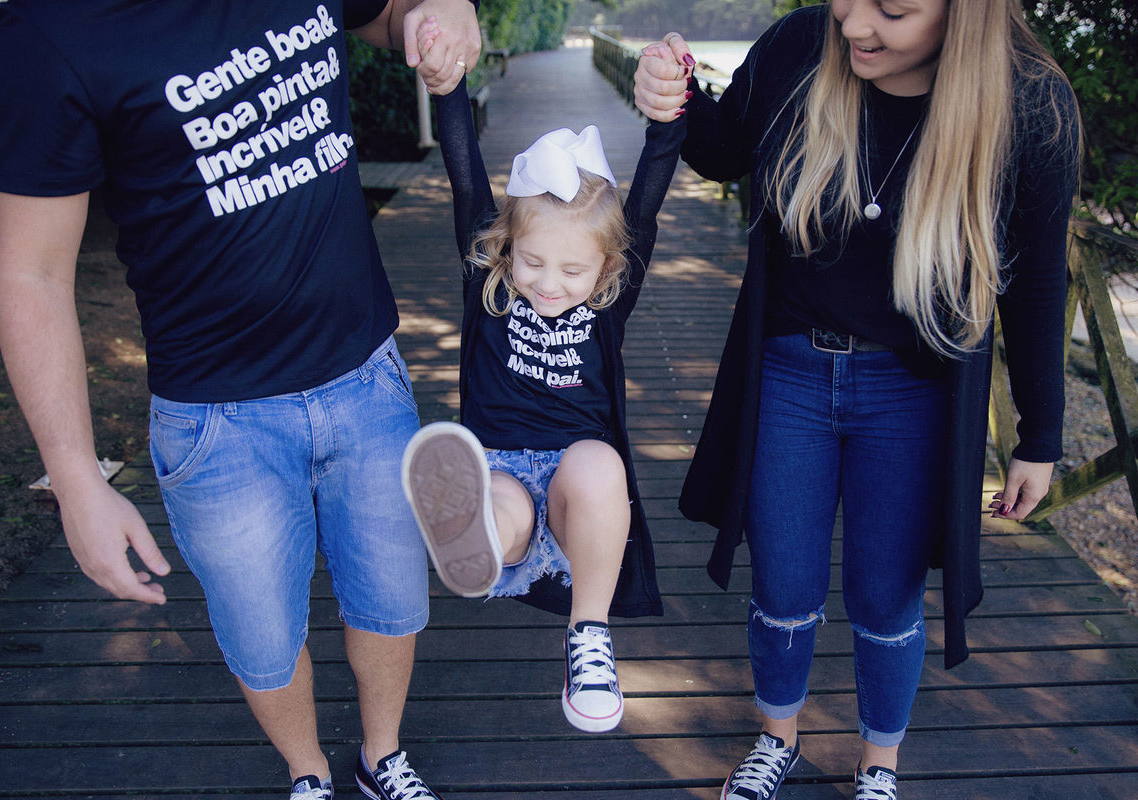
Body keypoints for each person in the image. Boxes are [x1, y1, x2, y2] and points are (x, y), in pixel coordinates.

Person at [0, 2, 482, 799]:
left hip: (366, 378)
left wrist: (446, 11)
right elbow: (31, 273)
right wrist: (75, 476)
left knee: (391, 603)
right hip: (219, 427)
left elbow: (393, 16)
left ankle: (381, 757)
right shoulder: (50, 31)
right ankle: (309, 772)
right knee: (261, 639)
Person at [633, 1, 1079, 798]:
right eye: (848, 0)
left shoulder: (1032, 105)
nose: (856, 27)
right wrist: (677, 94)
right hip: (788, 376)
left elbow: (1040, 279)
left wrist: (1038, 437)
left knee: (886, 596)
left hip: (914, 391)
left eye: (893, 11)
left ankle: (880, 763)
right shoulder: (802, 46)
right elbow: (723, 151)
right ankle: (779, 738)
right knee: (784, 583)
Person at [398, 28, 678, 733]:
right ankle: (477, 541)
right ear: (505, 248)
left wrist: (670, 113)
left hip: (572, 496)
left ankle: (589, 635)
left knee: (599, 464)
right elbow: (465, 173)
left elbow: (647, 195)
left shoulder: (609, 303)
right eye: (532, 262)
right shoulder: (487, 281)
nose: (548, 284)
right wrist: (448, 80)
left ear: (608, 272)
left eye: (572, 270)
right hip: (499, 470)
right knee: (497, 503)